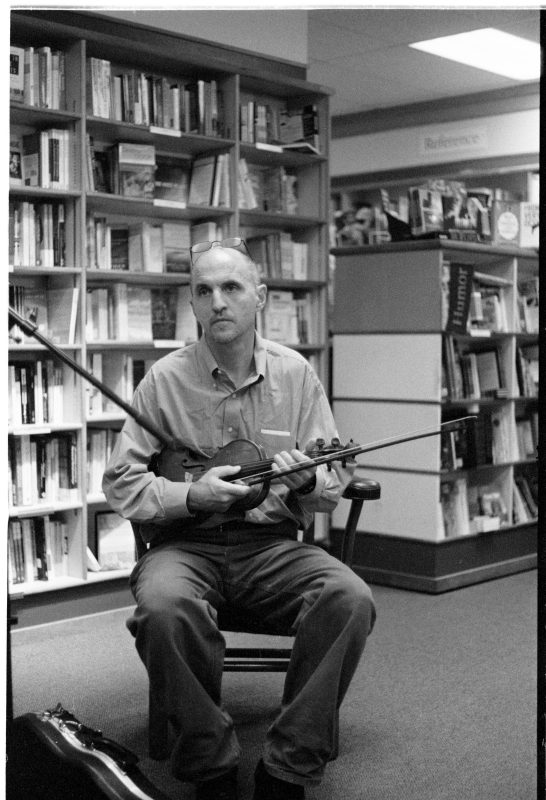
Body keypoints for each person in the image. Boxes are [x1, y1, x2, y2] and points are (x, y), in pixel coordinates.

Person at [102, 238, 376, 800]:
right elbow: (121, 482)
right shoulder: (163, 380)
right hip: (184, 547)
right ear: (193, 304)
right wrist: (191, 496)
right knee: (162, 607)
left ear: (260, 296)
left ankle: (288, 766)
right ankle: (211, 763)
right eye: (204, 291)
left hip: (272, 547)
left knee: (349, 598)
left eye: (231, 287)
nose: (218, 302)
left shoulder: (296, 375)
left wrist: (308, 482)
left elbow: (332, 482)